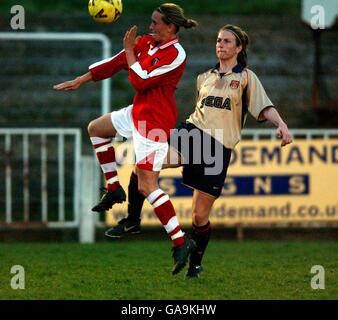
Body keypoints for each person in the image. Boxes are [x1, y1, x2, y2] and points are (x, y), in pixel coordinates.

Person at [105, 24, 293, 278]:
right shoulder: (204, 77)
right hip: (192, 134)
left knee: (199, 216)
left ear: (239, 48)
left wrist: (281, 124)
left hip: (217, 148)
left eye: (227, 41)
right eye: (218, 40)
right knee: (144, 164)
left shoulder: (247, 78)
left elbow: (265, 107)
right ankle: (132, 219)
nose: (221, 44)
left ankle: (194, 264)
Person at [53, 3, 199, 275]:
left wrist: (131, 50)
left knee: (147, 186)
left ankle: (181, 241)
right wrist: (82, 79)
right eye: (151, 21)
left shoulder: (176, 54)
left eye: (156, 23)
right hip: (138, 112)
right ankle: (113, 188)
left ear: (170, 27)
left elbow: (141, 80)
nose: (150, 26)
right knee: (96, 128)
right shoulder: (145, 43)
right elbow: (117, 62)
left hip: (155, 122)